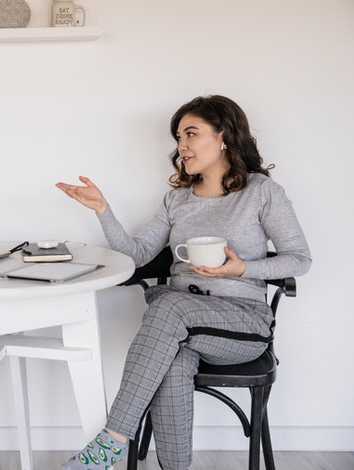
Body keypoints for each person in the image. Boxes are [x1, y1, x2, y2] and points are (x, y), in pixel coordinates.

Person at [55, 95, 311, 470]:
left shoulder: (261, 192)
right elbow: (138, 256)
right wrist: (103, 211)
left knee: (169, 305)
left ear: (224, 136)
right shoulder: (177, 200)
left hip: (241, 323)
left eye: (191, 134)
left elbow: (300, 259)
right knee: (172, 363)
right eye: (178, 137)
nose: (182, 146)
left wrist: (242, 269)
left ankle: (110, 444)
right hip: (179, 327)